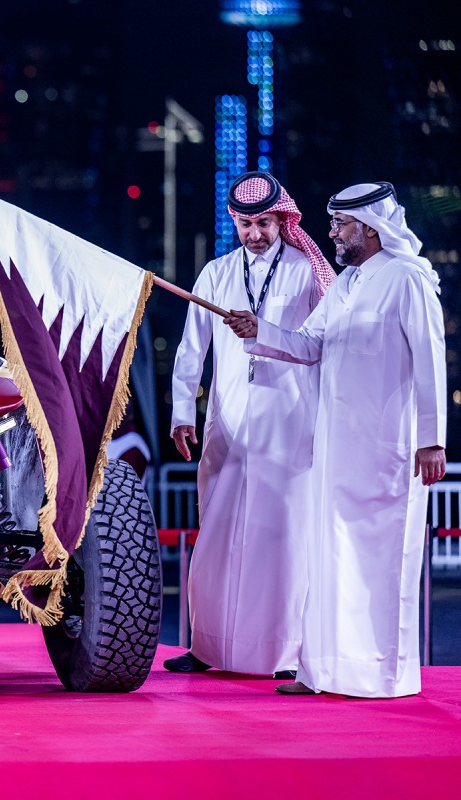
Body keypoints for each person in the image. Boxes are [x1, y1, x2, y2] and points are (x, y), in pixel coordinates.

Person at [225, 182, 447, 698]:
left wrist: (432, 440)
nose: (332, 234)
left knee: (383, 562)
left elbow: (431, 360)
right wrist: (258, 328)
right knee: (331, 559)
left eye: (340, 225)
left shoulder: (405, 279)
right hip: (333, 447)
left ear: (370, 227)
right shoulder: (345, 284)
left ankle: (382, 676)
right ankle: (325, 671)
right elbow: (309, 345)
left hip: (389, 448)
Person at [166, 171, 335, 678]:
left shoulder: (309, 271)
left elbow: (323, 344)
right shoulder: (216, 272)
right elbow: (190, 349)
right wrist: (180, 413)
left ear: (283, 219)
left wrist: (265, 330)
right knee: (217, 532)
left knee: (281, 536)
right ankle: (208, 647)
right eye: (245, 224)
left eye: (263, 223)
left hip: (289, 422)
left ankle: (284, 654)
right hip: (228, 423)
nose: (255, 233)